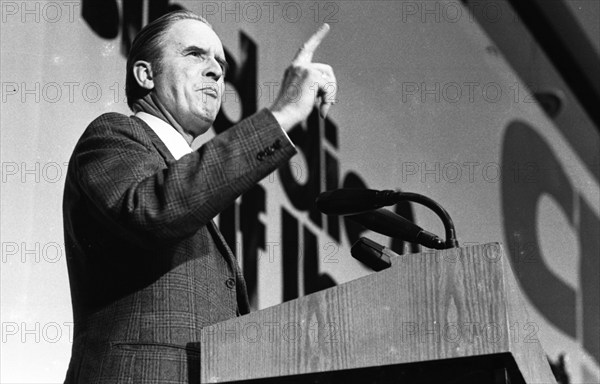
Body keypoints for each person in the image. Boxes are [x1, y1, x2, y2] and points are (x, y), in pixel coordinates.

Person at [62, 10, 336, 384]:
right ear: (145, 74)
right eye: (195, 54)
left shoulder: (184, 174)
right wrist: (283, 114)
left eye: (221, 62)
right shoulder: (112, 135)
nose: (216, 71)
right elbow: (152, 211)